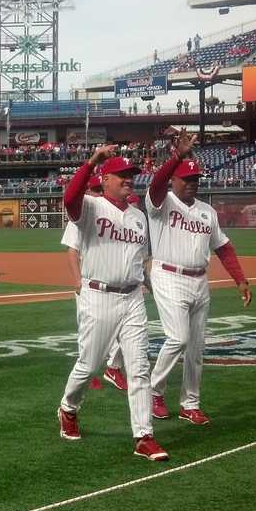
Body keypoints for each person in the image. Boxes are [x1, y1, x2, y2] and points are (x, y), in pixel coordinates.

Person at [56, 146, 167, 462]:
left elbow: (141, 259)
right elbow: (69, 199)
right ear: (105, 179)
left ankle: (143, 436)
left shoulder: (138, 217)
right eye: (122, 175)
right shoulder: (91, 206)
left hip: (132, 298)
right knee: (89, 364)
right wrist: (92, 161)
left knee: (139, 367)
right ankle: (68, 407)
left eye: (131, 175)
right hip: (98, 295)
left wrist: (149, 284)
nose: (129, 180)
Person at [146, 133, 252, 425]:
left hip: (199, 282)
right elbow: (156, 183)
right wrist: (177, 157)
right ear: (174, 180)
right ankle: (154, 391)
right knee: (178, 338)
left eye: (196, 179)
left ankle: (190, 403)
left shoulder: (208, 212)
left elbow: (223, 248)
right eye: (187, 179)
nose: (192, 183)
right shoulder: (161, 203)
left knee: (195, 348)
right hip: (169, 276)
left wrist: (240, 280)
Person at [61, 174, 134, 391]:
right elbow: (72, 250)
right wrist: (78, 282)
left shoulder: (113, 213)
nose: (96, 193)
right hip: (90, 284)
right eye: (93, 190)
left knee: (123, 333)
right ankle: (89, 372)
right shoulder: (83, 214)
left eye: (98, 190)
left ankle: (113, 368)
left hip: (117, 287)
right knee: (88, 336)